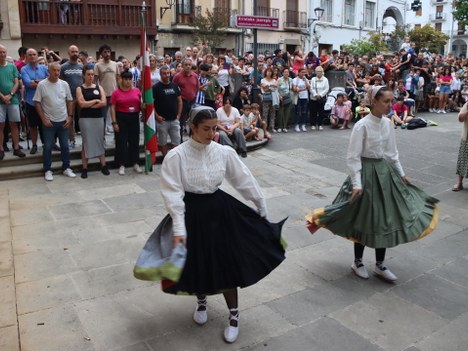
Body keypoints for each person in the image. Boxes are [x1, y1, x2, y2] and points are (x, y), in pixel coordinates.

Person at [151, 105, 285, 344]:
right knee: (198, 260)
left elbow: (242, 178)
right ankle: (201, 301)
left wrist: (260, 203)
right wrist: (179, 227)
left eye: (214, 128)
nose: (211, 133)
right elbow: (172, 193)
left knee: (225, 262)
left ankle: (234, 316)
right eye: (205, 129)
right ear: (192, 127)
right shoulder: (176, 156)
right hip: (191, 212)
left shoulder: (223, 152)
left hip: (220, 210)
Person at [307, 86, 439, 282]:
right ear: (373, 101)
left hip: (384, 174)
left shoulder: (387, 124)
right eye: (386, 101)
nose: (389, 105)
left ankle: (380, 264)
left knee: (384, 217)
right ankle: (358, 261)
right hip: (366, 174)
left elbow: (392, 153)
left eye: (390, 101)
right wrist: (357, 183)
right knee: (363, 217)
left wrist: (402, 174)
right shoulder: (362, 125)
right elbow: (353, 157)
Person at [33, 62, 76, 181]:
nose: (56, 73)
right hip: (49, 122)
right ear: (49, 71)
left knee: (65, 146)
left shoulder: (64, 84)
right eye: (54, 70)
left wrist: (70, 116)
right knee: (47, 147)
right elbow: (37, 102)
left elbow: (70, 100)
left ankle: (66, 167)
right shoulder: (42, 85)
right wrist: (43, 119)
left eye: (58, 70)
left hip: (63, 120)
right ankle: (47, 170)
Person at [76, 65, 109, 178]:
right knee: (86, 143)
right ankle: (84, 168)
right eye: (88, 74)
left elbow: (104, 102)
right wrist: (95, 101)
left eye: (92, 74)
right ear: (83, 76)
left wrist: (89, 105)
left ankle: (103, 165)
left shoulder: (99, 87)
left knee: (99, 140)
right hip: (85, 119)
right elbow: (81, 104)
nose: (91, 77)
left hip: (98, 118)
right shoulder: (80, 88)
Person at [110, 69, 143, 175]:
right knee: (121, 142)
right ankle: (122, 164)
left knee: (134, 141)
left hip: (134, 117)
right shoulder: (116, 93)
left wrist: (143, 106)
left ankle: (135, 163)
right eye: (126, 79)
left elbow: (141, 104)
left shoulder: (137, 91)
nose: (128, 81)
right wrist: (114, 122)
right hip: (121, 117)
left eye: (130, 79)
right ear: (121, 80)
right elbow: (112, 108)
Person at [21, 48, 49, 154]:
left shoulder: (44, 68)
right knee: (33, 125)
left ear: (37, 56)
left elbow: (49, 81)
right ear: (26, 57)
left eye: (34, 54)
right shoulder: (24, 69)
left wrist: (36, 82)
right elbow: (28, 83)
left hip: (44, 102)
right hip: (31, 101)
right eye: (30, 55)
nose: (32, 56)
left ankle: (47, 144)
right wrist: (42, 82)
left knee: (45, 124)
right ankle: (34, 145)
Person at [0, 44, 26, 160]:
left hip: (13, 100)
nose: (2, 54)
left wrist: (10, 95)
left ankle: (16, 147)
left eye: (4, 52)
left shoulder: (12, 66)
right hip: (0, 101)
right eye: (0, 52)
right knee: (0, 125)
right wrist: (3, 97)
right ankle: (0, 149)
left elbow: (16, 82)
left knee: (14, 124)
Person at [153, 65, 182, 157]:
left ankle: (173, 159)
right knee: (162, 142)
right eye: (164, 73)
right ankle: (166, 158)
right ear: (160, 74)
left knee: (176, 141)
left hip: (174, 120)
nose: (167, 75)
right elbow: (151, 105)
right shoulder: (155, 87)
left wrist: (179, 115)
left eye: (168, 73)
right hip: (162, 121)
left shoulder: (174, 86)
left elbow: (180, 101)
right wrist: (156, 116)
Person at [60, 44, 83, 148]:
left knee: (83, 119)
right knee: (70, 120)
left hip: (81, 97)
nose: (75, 54)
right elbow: (60, 82)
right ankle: (72, 140)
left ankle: (85, 141)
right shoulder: (63, 67)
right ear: (68, 53)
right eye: (72, 52)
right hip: (69, 98)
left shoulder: (82, 67)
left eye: (76, 51)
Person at [94, 44, 120, 134]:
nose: (107, 54)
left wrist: (120, 91)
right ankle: (102, 137)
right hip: (103, 95)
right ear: (101, 54)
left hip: (115, 94)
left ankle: (117, 137)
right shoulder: (97, 65)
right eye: (105, 52)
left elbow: (118, 79)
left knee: (117, 117)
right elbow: (95, 81)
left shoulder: (115, 64)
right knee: (103, 117)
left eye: (108, 52)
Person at [173, 58, 199, 141]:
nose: (188, 66)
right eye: (186, 65)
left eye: (189, 65)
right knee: (180, 121)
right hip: (182, 102)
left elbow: (197, 87)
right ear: (183, 66)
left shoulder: (195, 75)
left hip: (192, 101)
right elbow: (174, 89)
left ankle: (192, 138)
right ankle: (180, 140)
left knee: (193, 121)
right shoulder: (177, 76)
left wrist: (194, 96)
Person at [453, 102, 468, 191]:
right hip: (467, 138)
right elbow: (460, 119)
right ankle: (459, 183)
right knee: (462, 160)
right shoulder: (467, 104)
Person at [309, 66, 329, 131]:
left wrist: (320, 95)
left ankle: (320, 124)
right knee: (313, 112)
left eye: (320, 71)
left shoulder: (325, 79)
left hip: (321, 98)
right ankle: (313, 124)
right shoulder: (313, 79)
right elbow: (311, 88)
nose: (319, 73)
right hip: (313, 98)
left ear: (322, 72)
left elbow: (326, 89)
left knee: (321, 111)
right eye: (317, 72)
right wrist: (315, 94)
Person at [292, 68, 310, 132]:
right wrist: (303, 89)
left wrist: (305, 81)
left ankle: (303, 125)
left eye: (304, 72)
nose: (303, 74)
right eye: (302, 72)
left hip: (304, 97)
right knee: (297, 112)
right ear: (299, 72)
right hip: (298, 97)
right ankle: (296, 125)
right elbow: (294, 89)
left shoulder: (306, 79)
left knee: (304, 112)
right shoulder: (295, 80)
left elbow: (309, 88)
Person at [277, 68, 293, 132]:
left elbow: (292, 88)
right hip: (281, 97)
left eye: (287, 72)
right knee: (280, 113)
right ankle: (279, 127)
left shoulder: (290, 80)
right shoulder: (279, 80)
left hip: (288, 97)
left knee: (287, 113)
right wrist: (279, 96)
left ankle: (285, 126)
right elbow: (276, 89)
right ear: (282, 73)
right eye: (285, 72)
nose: (286, 73)